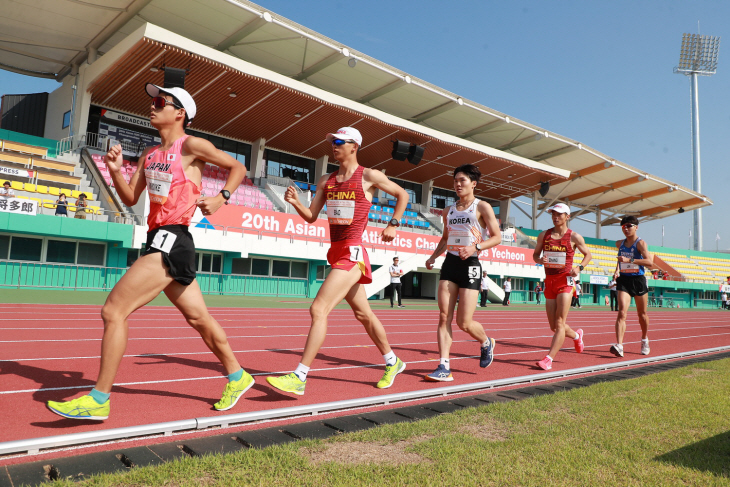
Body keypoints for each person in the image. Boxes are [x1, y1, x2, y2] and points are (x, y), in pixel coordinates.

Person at [47, 83, 250, 420]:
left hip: (174, 236)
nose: (152, 106)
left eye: (160, 102)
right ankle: (239, 375)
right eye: (153, 102)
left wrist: (221, 197)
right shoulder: (149, 155)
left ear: (179, 113)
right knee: (198, 318)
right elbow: (129, 198)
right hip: (158, 237)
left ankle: (99, 399)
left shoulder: (192, 145)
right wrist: (114, 172)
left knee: (113, 311)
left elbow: (238, 168)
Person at [267, 127, 408, 395]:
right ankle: (393, 361)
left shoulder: (368, 176)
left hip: (353, 253)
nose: (334, 145)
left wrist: (394, 223)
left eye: (339, 142)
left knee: (318, 309)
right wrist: (296, 202)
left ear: (354, 146)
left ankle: (300, 376)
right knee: (363, 313)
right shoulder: (326, 180)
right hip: (336, 251)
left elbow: (403, 195)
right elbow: (311, 216)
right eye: (332, 141)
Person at [424, 164, 501, 382]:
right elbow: (446, 238)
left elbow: (496, 237)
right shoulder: (448, 211)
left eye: (462, 180)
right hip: (450, 263)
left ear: (473, 183)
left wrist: (476, 247)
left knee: (464, 322)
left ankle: (486, 342)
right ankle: (444, 366)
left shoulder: (482, 207)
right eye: (455, 181)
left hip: (471, 265)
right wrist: (433, 256)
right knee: (443, 317)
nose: (458, 184)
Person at [532, 203, 592, 370]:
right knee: (554, 326)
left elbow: (588, 254)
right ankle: (576, 335)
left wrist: (579, 267)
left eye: (559, 214)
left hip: (565, 281)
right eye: (553, 214)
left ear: (568, 216)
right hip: (549, 281)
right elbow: (535, 255)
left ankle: (548, 359)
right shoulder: (544, 235)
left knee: (560, 322)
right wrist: (539, 260)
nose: (555, 217)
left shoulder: (575, 237)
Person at [609, 215, 654, 358]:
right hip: (624, 280)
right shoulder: (619, 243)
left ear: (636, 227)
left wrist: (630, 260)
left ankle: (644, 339)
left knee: (642, 314)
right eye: (623, 226)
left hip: (638, 280)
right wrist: (617, 270)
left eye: (629, 226)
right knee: (622, 312)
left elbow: (649, 262)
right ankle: (620, 345)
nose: (626, 229)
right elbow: (619, 257)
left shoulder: (640, 244)